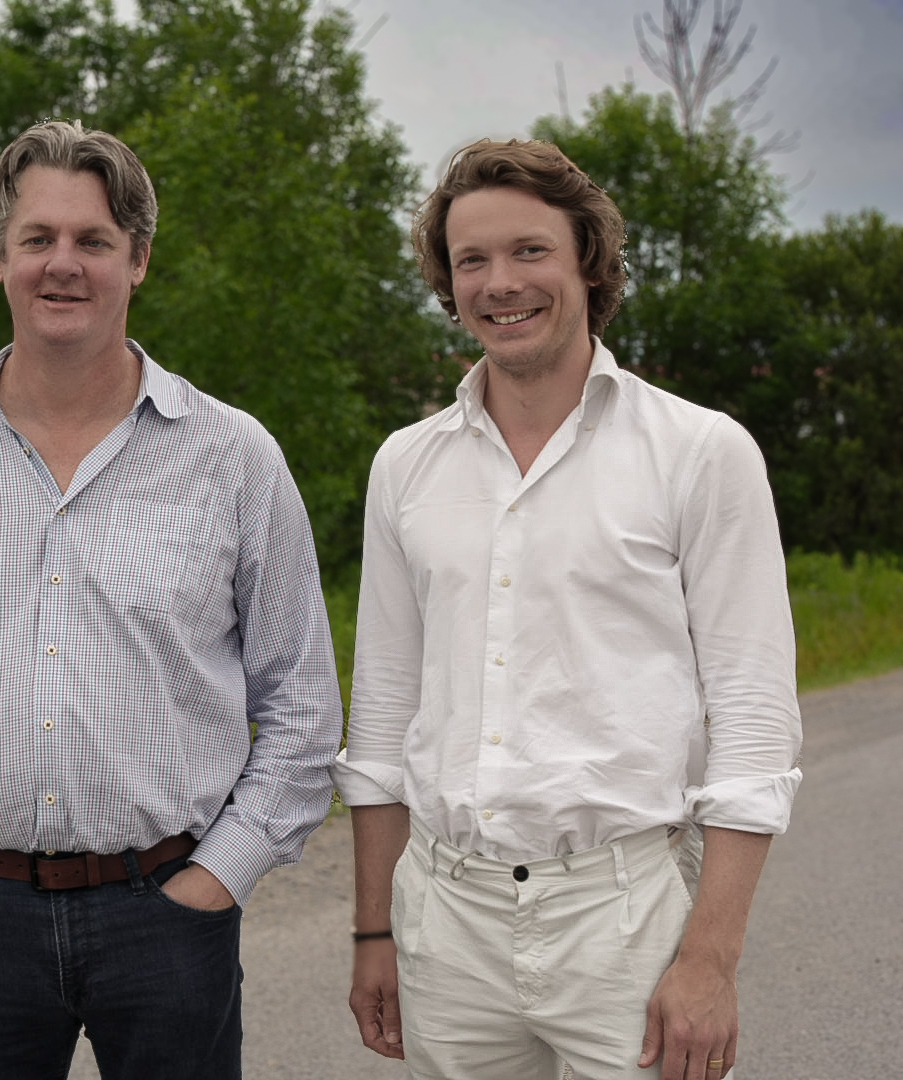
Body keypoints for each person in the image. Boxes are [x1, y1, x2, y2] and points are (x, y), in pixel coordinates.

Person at [0, 120, 343, 1079]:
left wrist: (221, 875)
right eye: (38, 238)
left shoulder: (233, 457)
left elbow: (301, 702)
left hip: (171, 908)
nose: (64, 265)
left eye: (93, 240)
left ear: (137, 260)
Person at [332, 139, 801, 1080]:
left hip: (623, 919)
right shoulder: (406, 467)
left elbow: (754, 726)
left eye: (529, 251)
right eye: (472, 260)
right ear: (448, 280)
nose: (500, 283)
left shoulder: (701, 452)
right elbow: (382, 722)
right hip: (446, 914)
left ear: (589, 257)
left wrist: (709, 960)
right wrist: (374, 929)